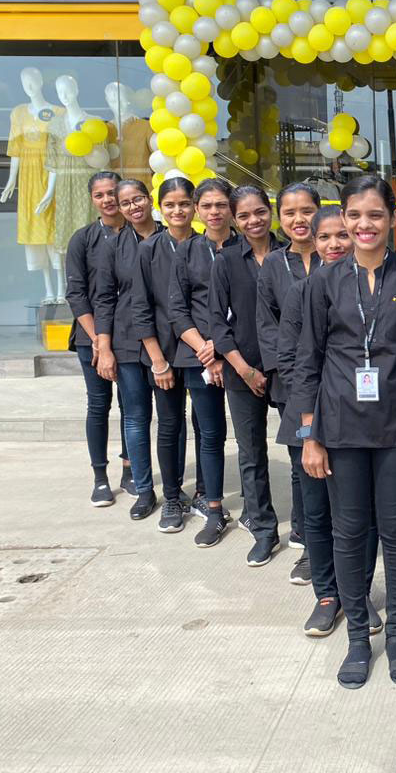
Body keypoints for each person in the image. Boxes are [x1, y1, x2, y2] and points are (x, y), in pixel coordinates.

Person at [298, 179, 396, 688]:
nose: (364, 225)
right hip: (340, 427)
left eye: (375, 215)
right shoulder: (324, 281)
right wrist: (310, 434)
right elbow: (307, 362)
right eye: (354, 215)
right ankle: (358, 636)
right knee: (350, 533)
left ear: (393, 218)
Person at [274, 205, 381, 640]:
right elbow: (292, 359)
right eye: (325, 238)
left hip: (360, 420)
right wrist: (310, 424)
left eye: (342, 235)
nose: (335, 244)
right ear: (312, 243)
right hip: (311, 420)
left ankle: (359, 593)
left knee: (362, 514)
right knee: (316, 511)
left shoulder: (371, 285)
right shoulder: (308, 290)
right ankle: (327, 594)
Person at [210, 185, 282, 566]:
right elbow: (217, 323)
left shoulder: (290, 254)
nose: (253, 221)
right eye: (244, 215)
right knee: (252, 454)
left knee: (304, 449)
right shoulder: (226, 261)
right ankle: (265, 530)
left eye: (259, 212)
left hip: (288, 370)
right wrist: (243, 368)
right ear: (235, 221)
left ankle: (305, 527)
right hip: (243, 371)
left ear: (270, 212)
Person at [256, 183, 321, 585]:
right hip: (294, 384)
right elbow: (268, 328)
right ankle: (312, 548)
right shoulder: (274, 267)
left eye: (307, 210)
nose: (300, 220)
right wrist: (292, 380)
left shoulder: (339, 253)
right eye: (290, 213)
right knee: (303, 467)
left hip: (341, 385)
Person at [133, 176, 205, 532]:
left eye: (185, 203)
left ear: (195, 206)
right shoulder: (148, 249)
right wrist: (157, 359)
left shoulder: (207, 246)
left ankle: (207, 493)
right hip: (161, 351)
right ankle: (173, 497)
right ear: (160, 208)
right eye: (170, 204)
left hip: (200, 352)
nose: (178, 210)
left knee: (207, 426)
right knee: (170, 424)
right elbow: (140, 307)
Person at [171, 177, 236, 547]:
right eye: (207, 206)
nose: (214, 212)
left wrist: (226, 348)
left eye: (220, 205)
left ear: (231, 208)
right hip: (200, 357)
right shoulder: (187, 251)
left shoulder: (248, 246)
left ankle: (261, 512)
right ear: (197, 210)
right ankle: (213, 509)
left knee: (250, 437)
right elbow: (177, 310)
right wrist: (206, 349)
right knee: (210, 434)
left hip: (241, 355)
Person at [92, 178, 161, 520]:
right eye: (126, 203)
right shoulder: (115, 245)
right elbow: (103, 299)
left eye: (138, 199)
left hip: (165, 343)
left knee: (170, 420)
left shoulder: (169, 237)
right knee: (135, 417)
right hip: (125, 341)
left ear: (150, 200)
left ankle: (176, 490)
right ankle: (144, 490)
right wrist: (104, 348)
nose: (133, 206)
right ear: (119, 210)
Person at [65, 170, 128, 505]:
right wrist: (99, 343)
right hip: (91, 338)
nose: (107, 200)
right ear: (93, 199)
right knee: (99, 404)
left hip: (133, 337)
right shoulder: (83, 239)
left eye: (112, 192)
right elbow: (77, 295)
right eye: (100, 194)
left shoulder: (139, 233)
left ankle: (131, 469)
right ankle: (100, 477)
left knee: (133, 406)